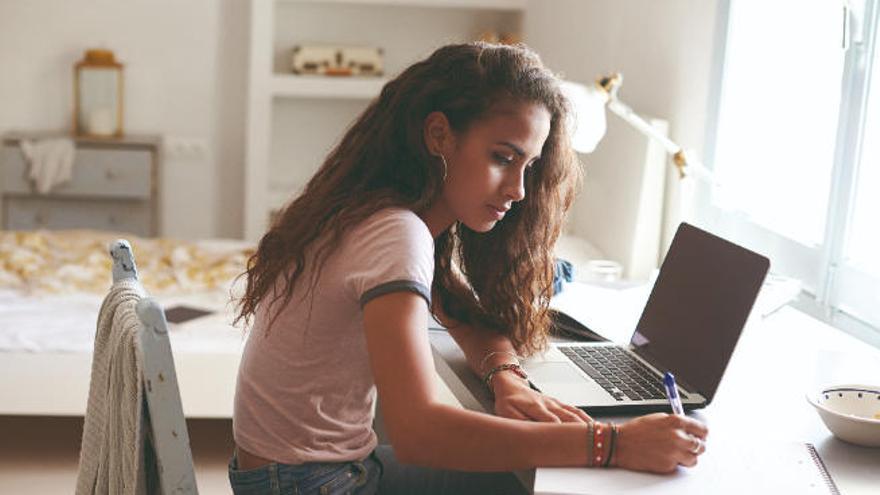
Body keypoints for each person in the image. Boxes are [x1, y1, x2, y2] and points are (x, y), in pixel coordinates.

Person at [229, 42, 708, 495]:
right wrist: (612, 444)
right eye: (503, 157)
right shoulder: (397, 232)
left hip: (288, 474)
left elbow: (463, 314)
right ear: (439, 135)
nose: (519, 190)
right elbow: (419, 431)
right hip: (313, 483)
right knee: (537, 483)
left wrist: (507, 376)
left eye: (529, 166)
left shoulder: (373, 211)